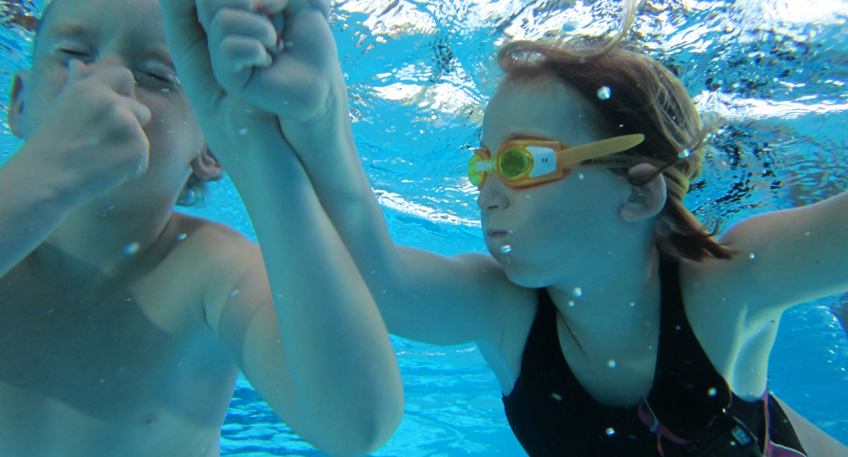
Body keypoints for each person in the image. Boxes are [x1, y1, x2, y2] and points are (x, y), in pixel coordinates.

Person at [170, 0, 848, 456]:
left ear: (638, 191)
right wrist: (322, 121)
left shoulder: (728, 280)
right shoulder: (506, 309)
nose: (489, 191)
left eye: (520, 162)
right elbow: (381, 278)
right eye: (485, 163)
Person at [0, 0, 405, 456]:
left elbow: (356, 425)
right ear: (18, 103)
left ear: (209, 151)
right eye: (74, 52)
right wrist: (45, 173)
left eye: (155, 75)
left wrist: (253, 145)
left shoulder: (211, 268)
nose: (105, 83)